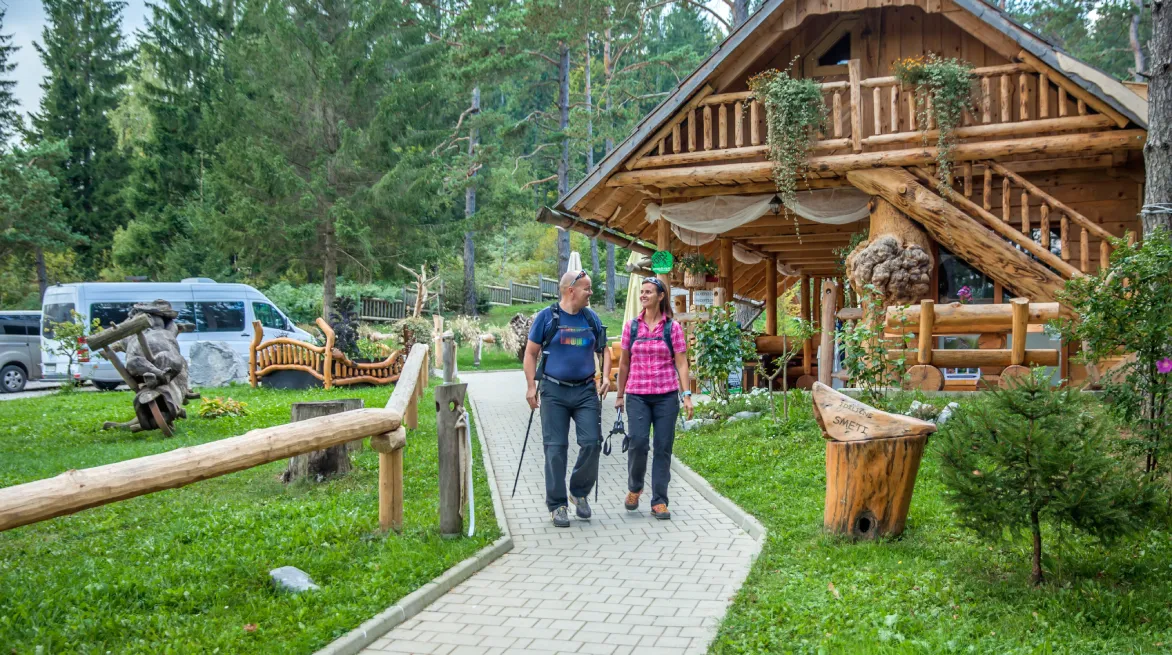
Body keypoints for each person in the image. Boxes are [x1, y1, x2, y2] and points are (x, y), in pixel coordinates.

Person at [523, 270, 612, 528]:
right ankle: (557, 505)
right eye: (587, 288)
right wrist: (531, 386)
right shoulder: (547, 317)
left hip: (585, 391)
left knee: (592, 442)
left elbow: (604, 350)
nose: (591, 293)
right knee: (555, 449)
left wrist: (606, 376)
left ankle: (579, 492)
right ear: (571, 290)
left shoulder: (591, 318)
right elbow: (530, 353)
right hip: (554, 391)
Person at [615, 277, 693, 520]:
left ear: (660, 297)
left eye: (649, 292)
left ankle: (659, 501)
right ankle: (635, 487)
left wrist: (686, 395)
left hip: (666, 396)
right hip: (637, 395)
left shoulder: (672, 328)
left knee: (663, 447)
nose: (643, 295)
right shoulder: (631, 327)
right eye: (642, 292)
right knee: (638, 443)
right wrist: (619, 395)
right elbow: (624, 363)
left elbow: (682, 363)